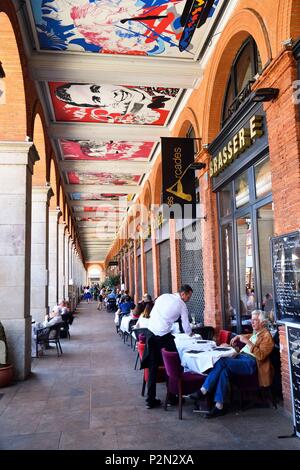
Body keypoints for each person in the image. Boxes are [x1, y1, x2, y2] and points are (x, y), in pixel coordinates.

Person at [199, 310, 274, 418]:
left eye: (255, 320)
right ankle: (219, 405)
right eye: (251, 320)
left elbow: (261, 355)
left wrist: (246, 341)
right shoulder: (256, 333)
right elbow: (246, 344)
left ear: (262, 322)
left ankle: (204, 390)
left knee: (221, 361)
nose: (252, 323)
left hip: (251, 364)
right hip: (241, 358)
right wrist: (236, 340)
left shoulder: (267, 337)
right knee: (223, 371)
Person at [141, 285, 194, 409]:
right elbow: (186, 327)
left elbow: (154, 312)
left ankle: (150, 400)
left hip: (150, 333)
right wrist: (191, 334)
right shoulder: (182, 305)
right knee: (173, 364)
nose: (188, 298)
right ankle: (172, 397)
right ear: (183, 294)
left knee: (153, 367)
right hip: (163, 336)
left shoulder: (163, 296)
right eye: (188, 296)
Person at [54, 83, 178, 124]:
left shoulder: (152, 81)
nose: (112, 95)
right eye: (97, 99)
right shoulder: (145, 114)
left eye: (96, 89)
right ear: (103, 106)